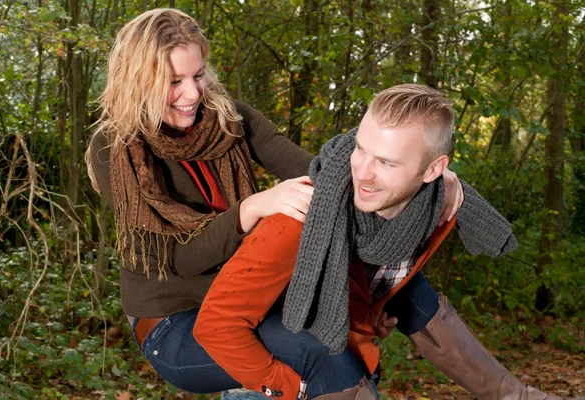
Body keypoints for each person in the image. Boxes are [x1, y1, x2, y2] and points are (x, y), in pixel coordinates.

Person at [84, 9, 464, 399]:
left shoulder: (228, 118)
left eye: (198, 75)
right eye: (173, 81)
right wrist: (251, 209)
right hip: (175, 320)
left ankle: (510, 393)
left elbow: (322, 173)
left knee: (357, 327)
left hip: (250, 303)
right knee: (314, 352)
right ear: (137, 81)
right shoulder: (116, 150)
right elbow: (176, 259)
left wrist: (423, 177)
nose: (193, 93)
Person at [194, 84, 585, 400]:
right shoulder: (299, 218)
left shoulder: (433, 207)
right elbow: (215, 326)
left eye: (387, 162)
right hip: (273, 373)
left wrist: (367, 313)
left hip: (345, 348)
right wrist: (283, 385)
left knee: (416, 294)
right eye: (360, 148)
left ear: (433, 169)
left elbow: (369, 279)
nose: (362, 172)